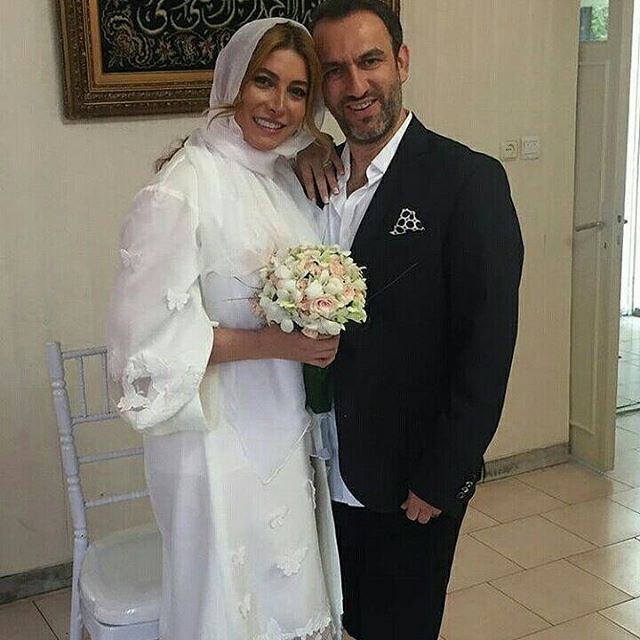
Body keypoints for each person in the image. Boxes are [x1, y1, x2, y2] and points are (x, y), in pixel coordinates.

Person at [106, 18, 343, 640]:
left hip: (281, 429)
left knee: (284, 600)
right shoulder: (181, 189)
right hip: (211, 446)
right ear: (233, 82)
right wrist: (280, 344)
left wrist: (317, 146)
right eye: (264, 82)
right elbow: (148, 347)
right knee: (226, 606)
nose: (279, 105)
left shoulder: (282, 177)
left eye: (297, 91)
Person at [295, 1, 525, 638]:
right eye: (334, 70)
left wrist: (444, 475)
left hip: (408, 479)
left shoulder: (467, 180)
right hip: (311, 466)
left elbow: (487, 347)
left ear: (401, 61)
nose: (356, 85)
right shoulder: (307, 180)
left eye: (370, 61)